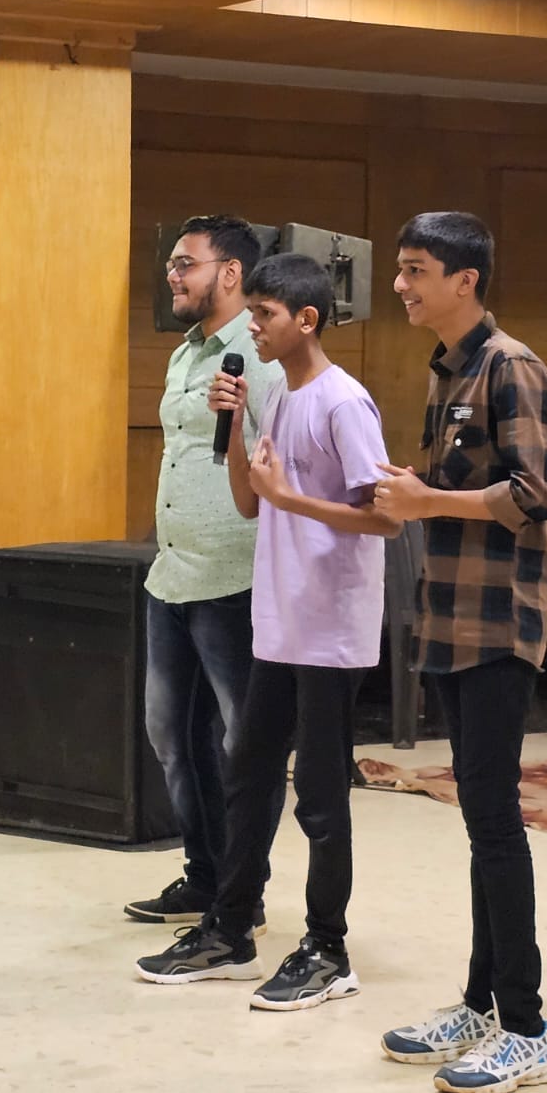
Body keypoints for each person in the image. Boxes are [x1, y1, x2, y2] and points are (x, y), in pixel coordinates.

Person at [135, 253, 399, 1010]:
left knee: (319, 793)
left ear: (306, 319)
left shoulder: (344, 403)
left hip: (330, 630)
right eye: (250, 312)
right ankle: (229, 930)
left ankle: (328, 948)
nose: (252, 325)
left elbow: (384, 517)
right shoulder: (280, 396)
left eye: (265, 314)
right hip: (280, 622)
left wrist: (292, 496)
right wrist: (232, 428)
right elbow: (253, 504)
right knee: (248, 775)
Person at [373, 211, 547, 1093]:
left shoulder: (511, 366)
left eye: (416, 270)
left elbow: (537, 494)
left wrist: (425, 503)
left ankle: (525, 1027)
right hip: (451, 619)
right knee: (479, 817)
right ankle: (482, 1004)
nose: (401, 286)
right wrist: (411, 492)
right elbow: (454, 488)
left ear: (466, 280)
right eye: (400, 269)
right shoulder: (448, 369)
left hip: (498, 623)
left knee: (495, 821)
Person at [124, 215, 283, 930]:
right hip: (172, 574)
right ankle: (204, 875)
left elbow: (281, 463)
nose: (172, 274)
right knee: (170, 735)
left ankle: (242, 892)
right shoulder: (184, 354)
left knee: (242, 745)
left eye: (185, 263)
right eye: (171, 263)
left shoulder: (264, 356)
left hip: (234, 576)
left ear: (230, 273)